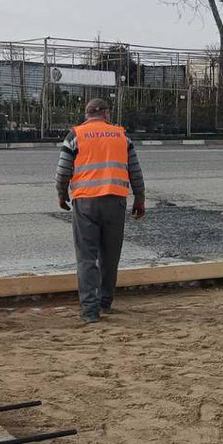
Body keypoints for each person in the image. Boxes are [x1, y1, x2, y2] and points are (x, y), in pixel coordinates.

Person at [56, 98, 146, 323]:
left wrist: (61, 193)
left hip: (85, 202)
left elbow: (63, 170)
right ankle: (105, 301)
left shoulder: (75, 135)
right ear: (106, 114)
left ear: (87, 115)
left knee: (86, 257)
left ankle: (90, 311)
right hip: (115, 202)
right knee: (110, 256)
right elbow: (135, 170)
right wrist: (140, 198)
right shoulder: (121, 136)